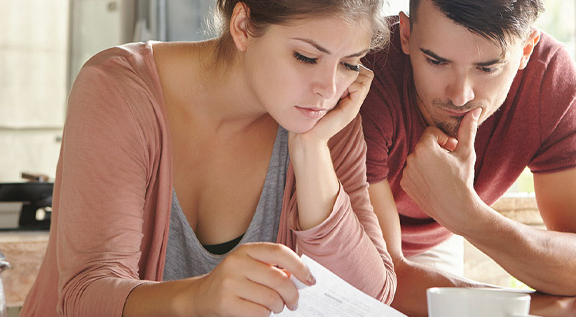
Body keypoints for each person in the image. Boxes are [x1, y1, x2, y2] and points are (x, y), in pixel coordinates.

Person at [20, 0, 397, 315]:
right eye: (306, 57)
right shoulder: (118, 89)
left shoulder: (329, 122)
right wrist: (198, 298)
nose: (328, 89)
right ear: (244, 26)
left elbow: (371, 299)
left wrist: (312, 150)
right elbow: (84, 296)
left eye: (350, 63)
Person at [359, 0, 576, 315]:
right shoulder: (367, 72)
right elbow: (381, 281)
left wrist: (467, 214)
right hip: (341, 250)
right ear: (407, 35)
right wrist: (546, 310)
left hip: (438, 240)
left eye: (487, 67)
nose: (460, 95)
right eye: (436, 61)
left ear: (526, 49)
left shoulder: (548, 78)